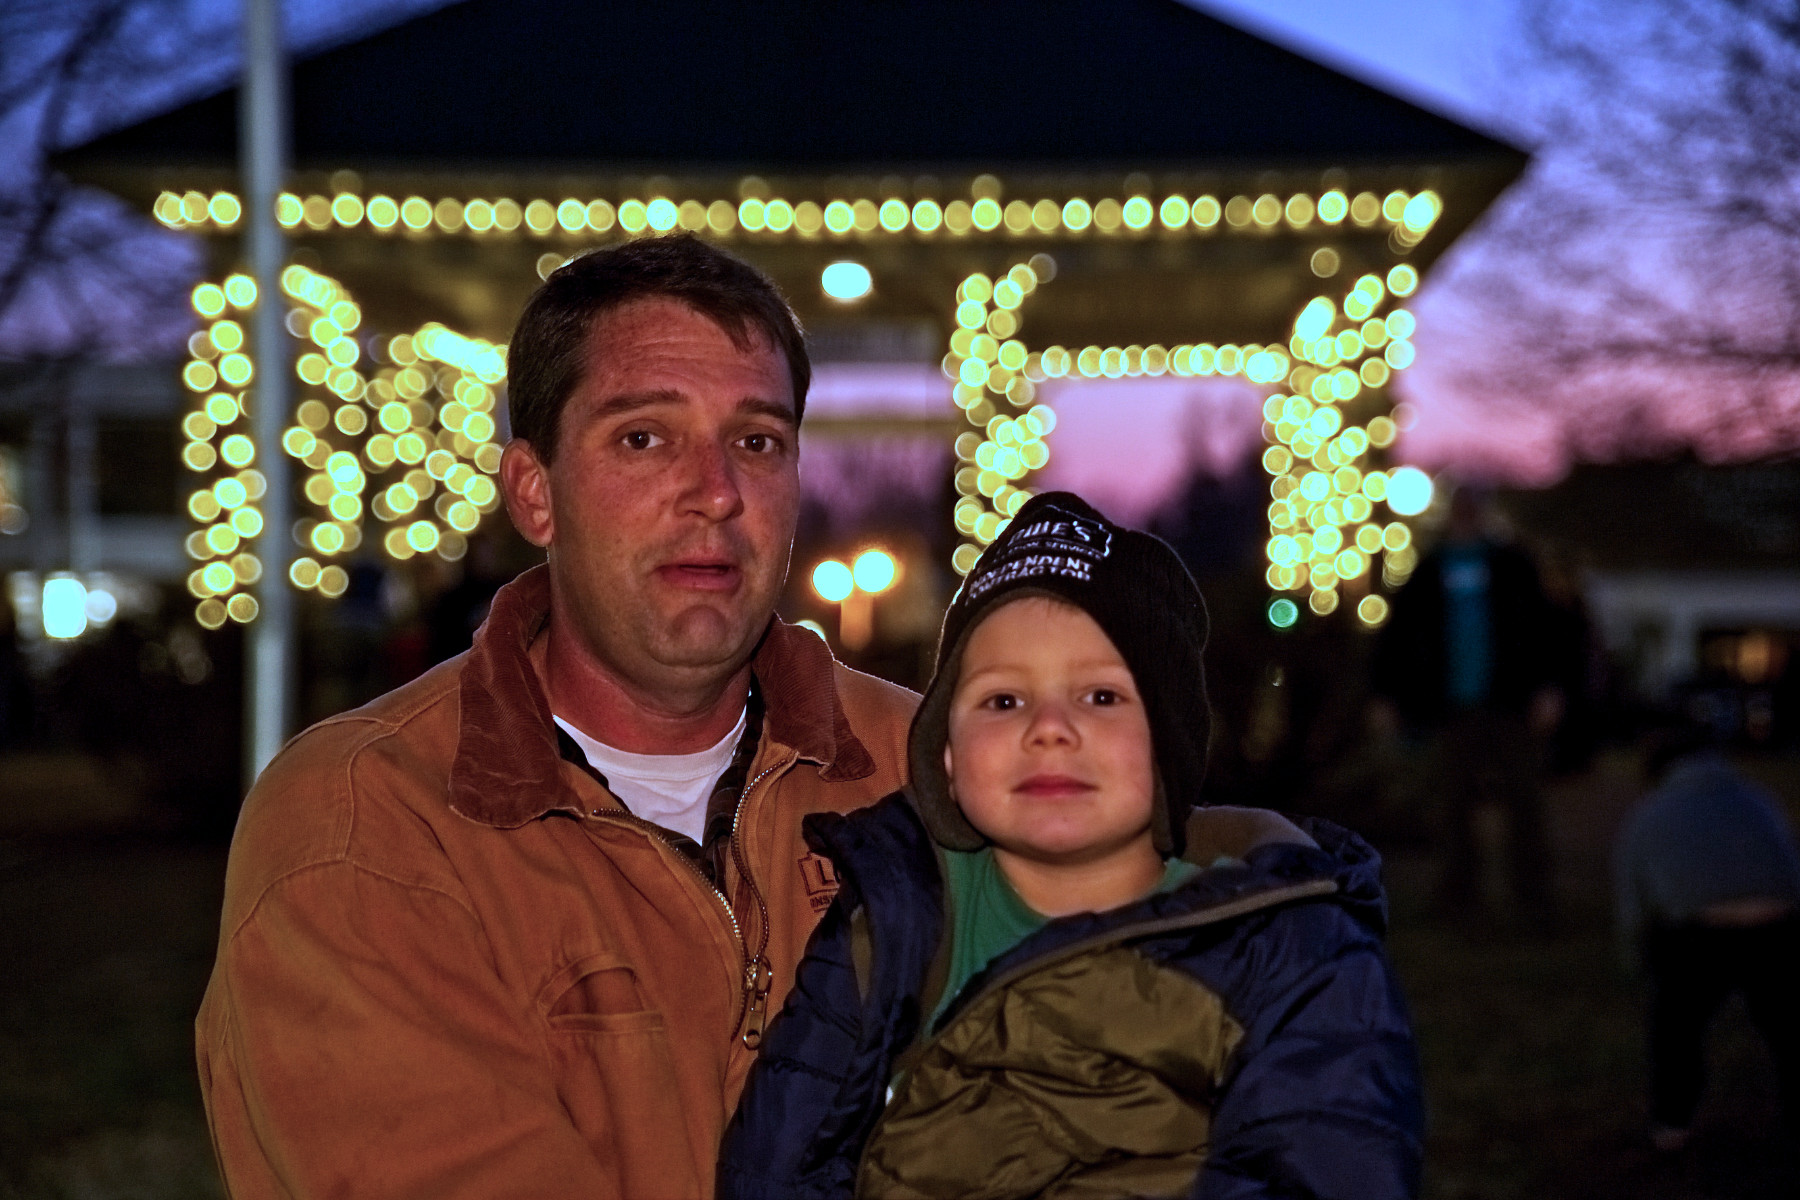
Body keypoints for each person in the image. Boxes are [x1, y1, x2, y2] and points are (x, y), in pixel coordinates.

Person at [196, 235, 919, 1198]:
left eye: (758, 441)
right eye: (644, 437)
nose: (716, 493)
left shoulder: (926, 771)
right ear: (535, 492)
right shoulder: (369, 822)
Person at [718, 492, 1423, 1200]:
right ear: (948, 758)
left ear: (1169, 746)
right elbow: (780, 1164)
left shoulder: (1290, 951)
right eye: (1003, 701)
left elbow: (1331, 1167)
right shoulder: (886, 922)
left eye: (1101, 697)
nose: (1049, 729)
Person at [1371, 484, 1563, 923]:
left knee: (1523, 802)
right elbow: (1398, 637)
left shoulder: (1514, 565)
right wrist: (1386, 695)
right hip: (1452, 707)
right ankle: (1460, 897)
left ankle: (1533, 898)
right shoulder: (1428, 570)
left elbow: (1545, 629)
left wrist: (1549, 688)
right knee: (1455, 806)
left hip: (1510, 704)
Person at [1614, 723, 1800, 1151]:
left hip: (1700, 936)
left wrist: (1635, 962)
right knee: (1789, 1028)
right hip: (1778, 927)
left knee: (1676, 1026)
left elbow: (1633, 903)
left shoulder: (1649, 815)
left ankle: (1672, 1122)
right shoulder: (1757, 801)